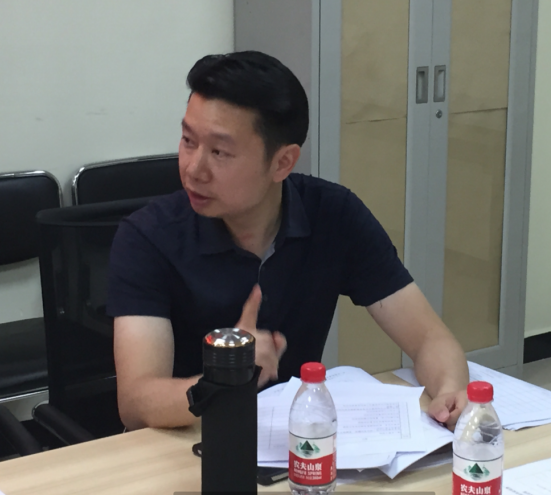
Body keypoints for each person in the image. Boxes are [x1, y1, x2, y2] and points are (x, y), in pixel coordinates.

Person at [107, 51, 469, 432]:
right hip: (186, 441)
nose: (193, 169)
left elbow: (428, 338)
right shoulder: (147, 237)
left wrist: (450, 391)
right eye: (188, 140)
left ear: (282, 162)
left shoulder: (334, 214)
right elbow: (135, 403)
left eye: (219, 152)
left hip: (298, 440)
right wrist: (224, 379)